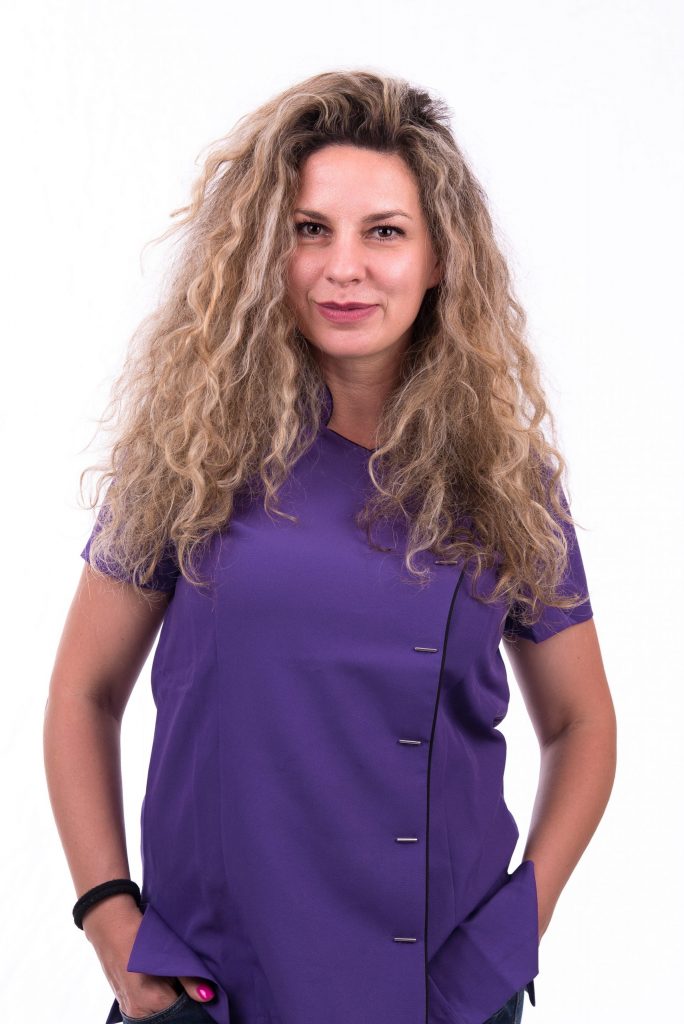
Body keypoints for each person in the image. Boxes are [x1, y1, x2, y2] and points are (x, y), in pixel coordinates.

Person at [44, 68, 616, 1024]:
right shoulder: (187, 455)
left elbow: (583, 724)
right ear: (264, 251)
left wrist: (518, 928)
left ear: (441, 258)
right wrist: (111, 924)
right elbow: (82, 692)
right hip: (214, 988)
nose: (343, 267)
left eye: (384, 232)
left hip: (441, 993)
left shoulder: (504, 482)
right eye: (310, 229)